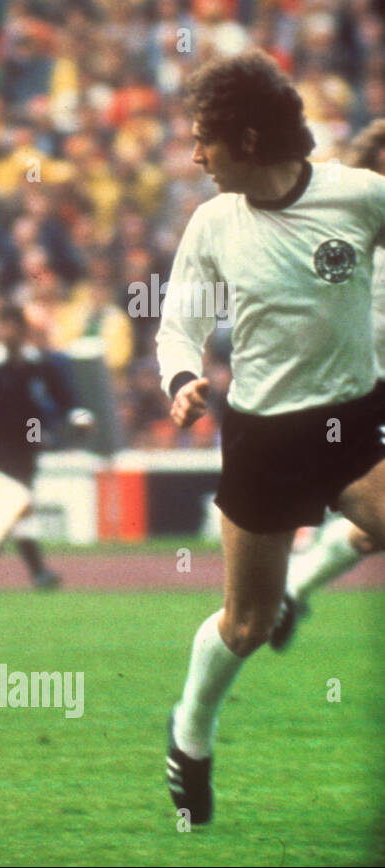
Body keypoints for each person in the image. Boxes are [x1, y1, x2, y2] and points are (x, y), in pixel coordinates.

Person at [157, 54, 385, 825]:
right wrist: (181, 377)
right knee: (248, 623)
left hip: (357, 425)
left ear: (248, 140)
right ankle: (190, 733)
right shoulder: (214, 223)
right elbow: (179, 323)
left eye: (203, 140)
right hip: (263, 440)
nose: (194, 156)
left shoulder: (359, 198)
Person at [270, 118, 385, 649]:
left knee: (370, 531)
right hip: (363, 395)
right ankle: (290, 586)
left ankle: (293, 587)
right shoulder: (348, 240)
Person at [0, 304, 92, 590]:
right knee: (8, 508)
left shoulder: (39, 366)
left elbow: (66, 398)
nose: (8, 332)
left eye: (13, 326)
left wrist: (79, 416)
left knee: (14, 510)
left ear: (21, 330)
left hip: (26, 446)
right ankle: (28, 572)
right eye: (3, 326)